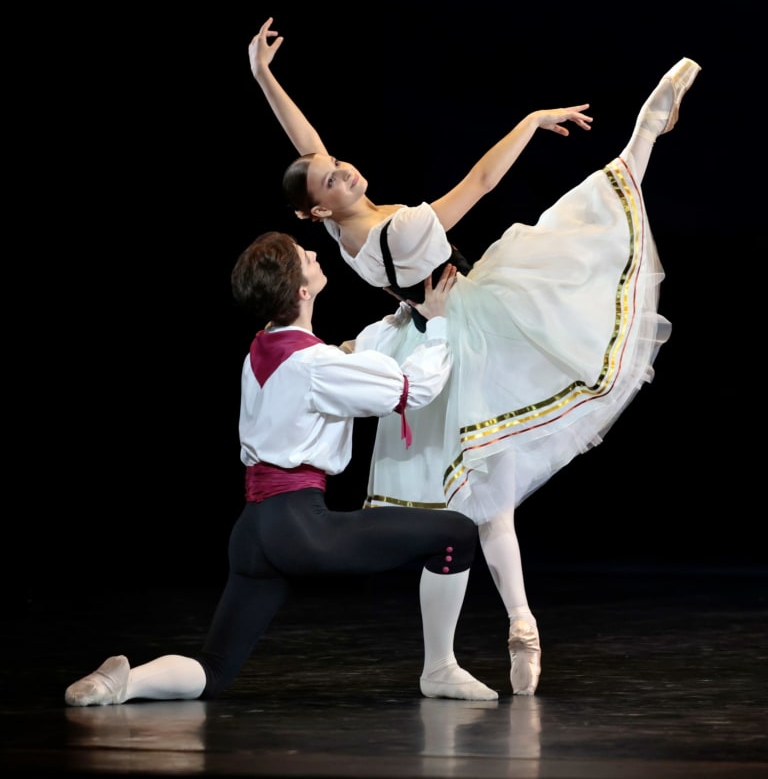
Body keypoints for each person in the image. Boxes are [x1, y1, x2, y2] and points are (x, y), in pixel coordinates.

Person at [249, 17, 701, 697]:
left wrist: (264, 75)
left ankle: (520, 626)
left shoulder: (344, 229)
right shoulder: (397, 228)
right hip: (465, 331)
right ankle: (643, 136)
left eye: (337, 165)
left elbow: (307, 148)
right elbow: (482, 182)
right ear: (317, 211)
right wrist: (531, 121)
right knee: (581, 236)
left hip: (430, 327)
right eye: (332, 180)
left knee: (490, 502)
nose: (342, 170)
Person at [64, 232, 498, 707]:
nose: (313, 254)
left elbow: (346, 362)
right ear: (302, 290)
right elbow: (415, 388)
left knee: (215, 669)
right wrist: (438, 323)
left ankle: (122, 683)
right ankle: (439, 668)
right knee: (456, 533)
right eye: (304, 256)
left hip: (253, 531)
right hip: (299, 527)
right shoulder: (315, 364)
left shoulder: (261, 349)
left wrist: (398, 320)